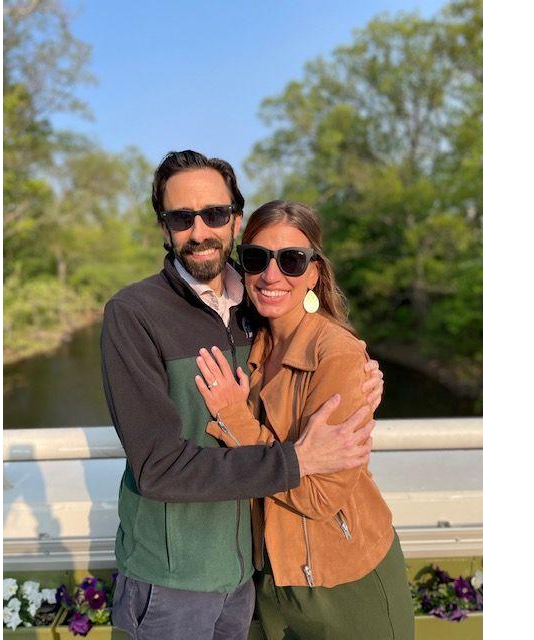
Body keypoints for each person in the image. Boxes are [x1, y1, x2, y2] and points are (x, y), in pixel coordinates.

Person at [101, 151, 385, 640]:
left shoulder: (257, 298)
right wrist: (295, 461)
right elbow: (158, 468)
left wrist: (363, 376)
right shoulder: (134, 314)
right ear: (164, 226)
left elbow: (309, 358)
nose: (199, 231)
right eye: (182, 218)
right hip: (172, 580)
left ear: (235, 219)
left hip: (247, 574)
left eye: (214, 214)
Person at [195, 200, 415, 640]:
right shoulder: (249, 344)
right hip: (269, 581)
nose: (271, 275)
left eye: (291, 260)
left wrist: (235, 417)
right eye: (256, 258)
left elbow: (319, 496)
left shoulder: (337, 355)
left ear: (314, 272)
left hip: (345, 586)